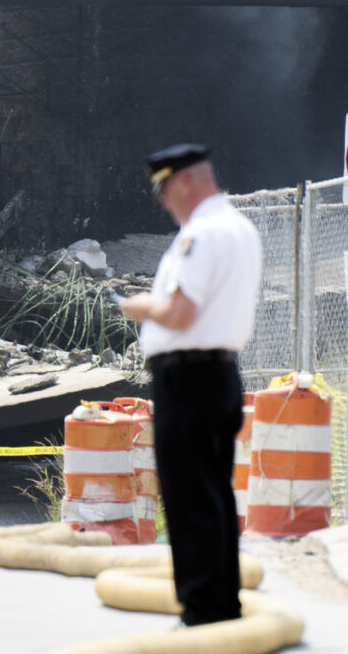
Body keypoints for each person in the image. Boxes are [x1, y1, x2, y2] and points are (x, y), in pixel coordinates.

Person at [119, 144, 261, 627]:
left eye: (163, 191)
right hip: (219, 373)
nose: (163, 203)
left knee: (187, 493)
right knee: (213, 490)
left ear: (183, 182)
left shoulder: (200, 235)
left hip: (189, 376)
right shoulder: (240, 228)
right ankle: (223, 602)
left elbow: (180, 312)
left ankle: (201, 610)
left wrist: (140, 306)